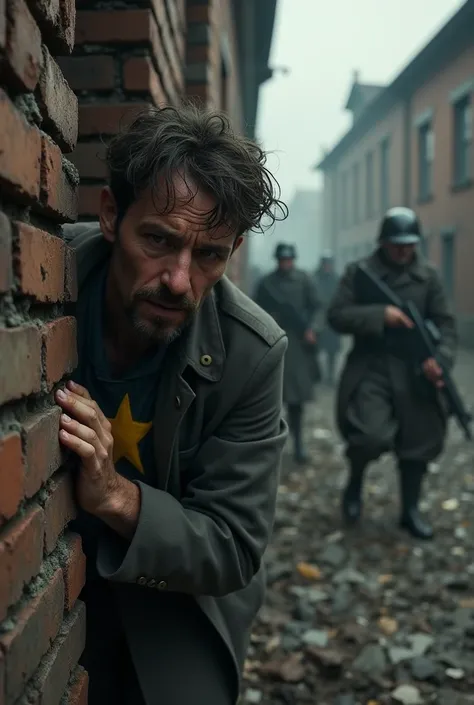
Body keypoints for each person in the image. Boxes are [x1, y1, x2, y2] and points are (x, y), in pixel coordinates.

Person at [57, 105, 289, 705]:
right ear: (111, 215)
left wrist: (117, 497)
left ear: (232, 251)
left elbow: (234, 546)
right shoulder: (43, 278)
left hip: (171, 610)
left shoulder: (252, 352)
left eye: (209, 254)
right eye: (159, 240)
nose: (179, 280)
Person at [327, 207, 456, 539]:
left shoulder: (428, 276)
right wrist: (379, 314)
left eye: (409, 243)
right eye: (396, 243)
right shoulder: (360, 273)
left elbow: (446, 324)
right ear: (383, 242)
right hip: (372, 366)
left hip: (415, 371)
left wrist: (439, 360)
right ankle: (355, 482)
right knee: (368, 436)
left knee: (419, 443)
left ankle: (409, 510)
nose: (403, 250)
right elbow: (337, 315)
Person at [255, 243, 321, 465]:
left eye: (289, 260)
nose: (286, 263)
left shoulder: (304, 280)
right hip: (273, 342)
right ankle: (268, 448)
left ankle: (299, 446)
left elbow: (317, 307)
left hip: (299, 345)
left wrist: (312, 328)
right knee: (271, 400)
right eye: (282, 260)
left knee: (297, 401)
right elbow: (254, 310)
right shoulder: (267, 284)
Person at [314, 251, 341, 385]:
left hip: (333, 319)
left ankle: (330, 377)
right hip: (319, 320)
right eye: (325, 264)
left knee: (332, 352)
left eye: (329, 264)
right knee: (315, 349)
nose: (327, 267)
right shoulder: (315, 278)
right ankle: (317, 376)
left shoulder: (336, 279)